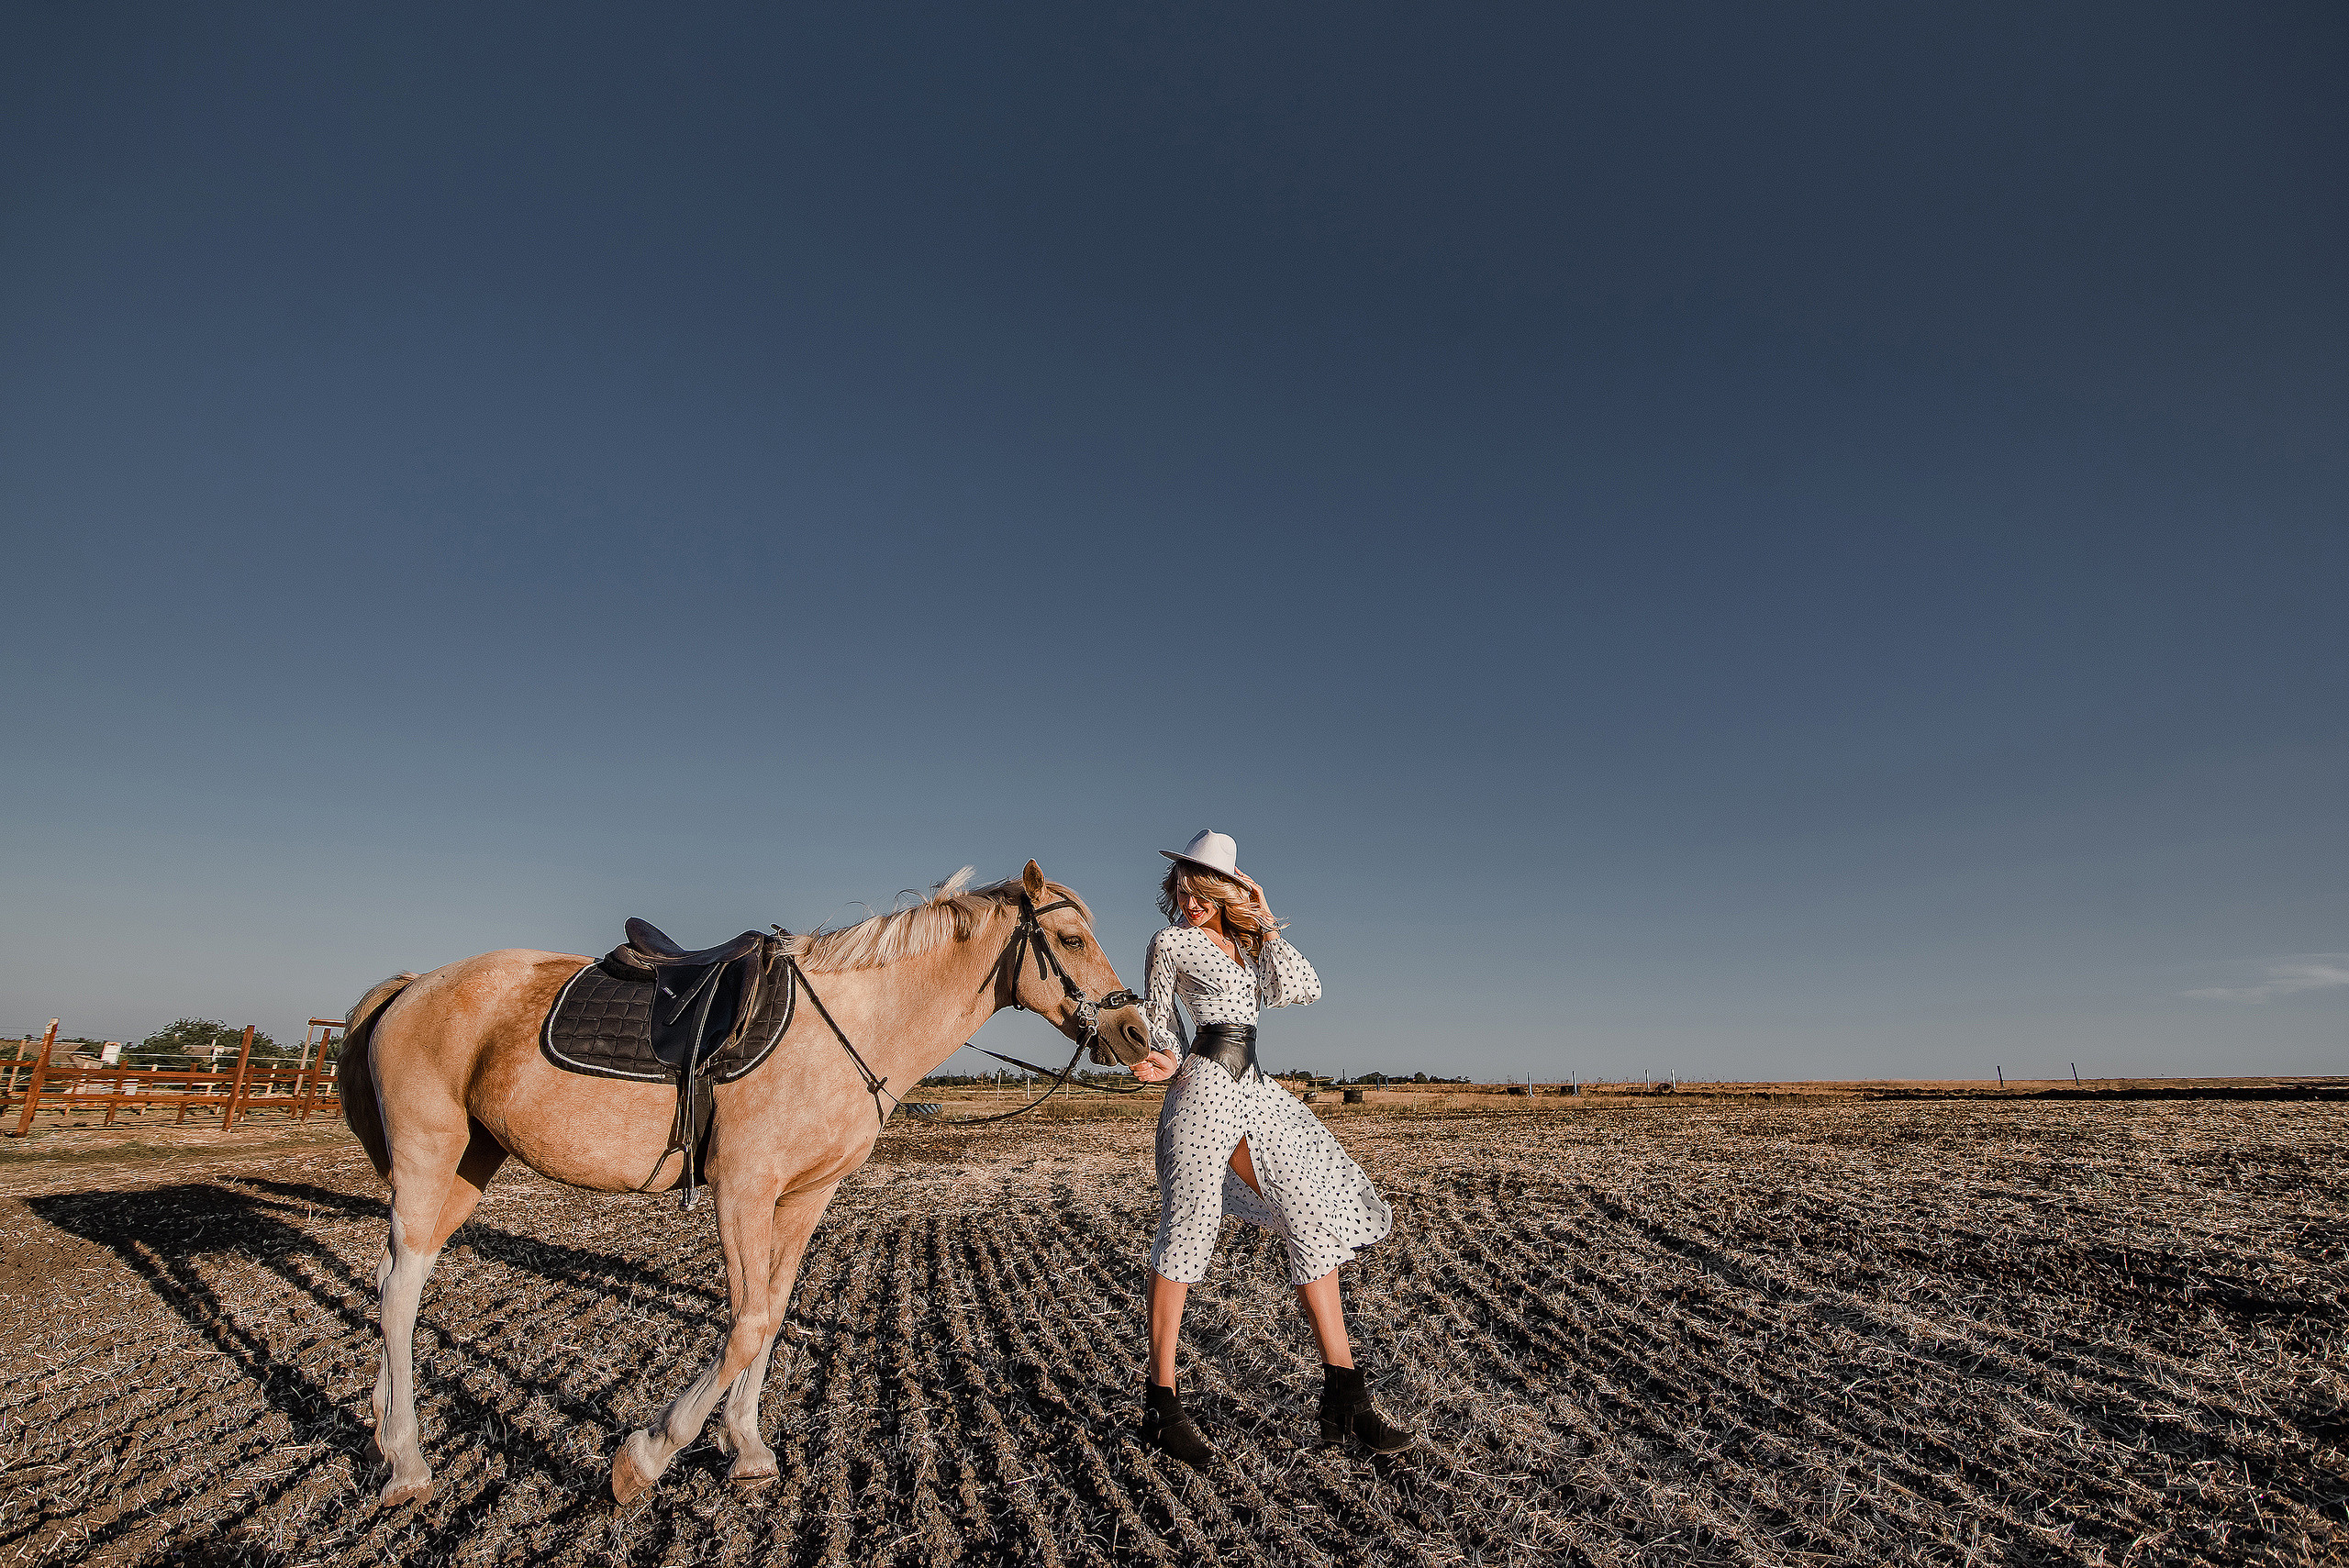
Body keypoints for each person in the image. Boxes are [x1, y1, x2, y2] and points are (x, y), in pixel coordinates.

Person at [1127, 829, 1412, 1463]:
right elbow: (1162, 1023)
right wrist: (1159, 1059)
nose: (1189, 898)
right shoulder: (1168, 942)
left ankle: (1346, 1394)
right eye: (1182, 886)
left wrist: (1265, 915)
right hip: (1203, 1086)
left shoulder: (1250, 947)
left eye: (1202, 888)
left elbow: (1306, 987)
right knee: (1186, 1231)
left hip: (1256, 1089)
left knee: (1311, 1213)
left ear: (1225, 890)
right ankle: (1160, 1400)